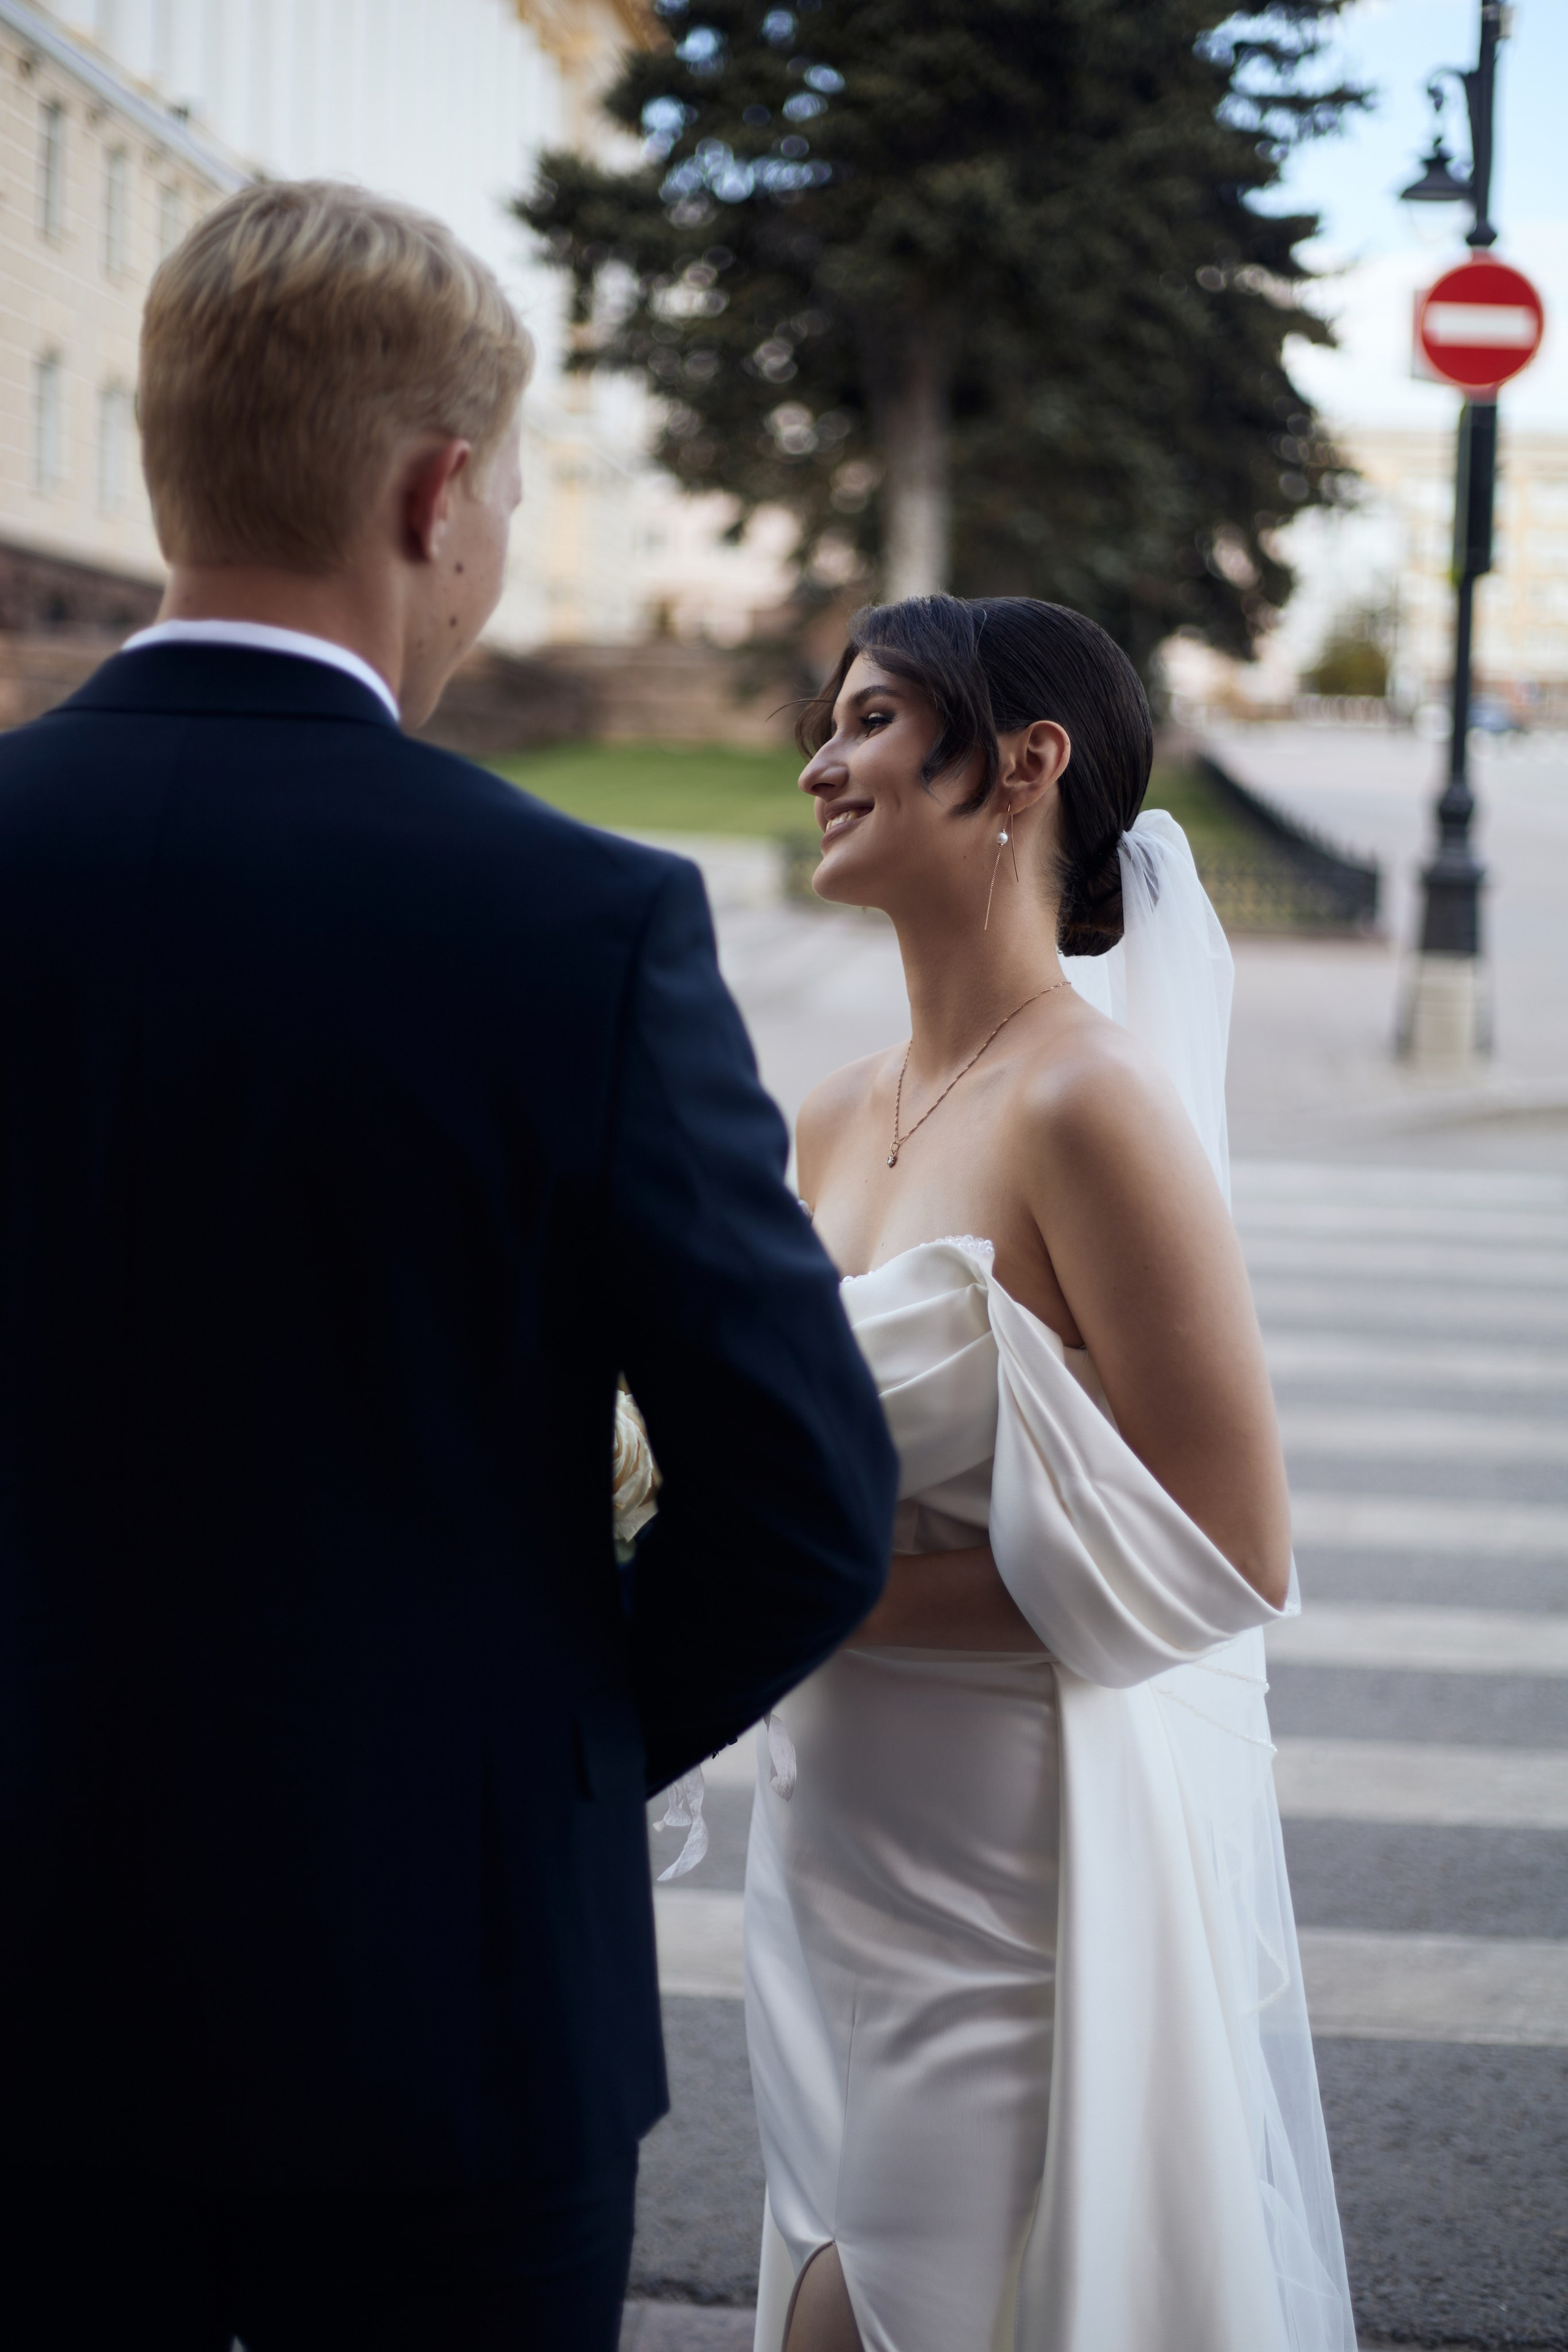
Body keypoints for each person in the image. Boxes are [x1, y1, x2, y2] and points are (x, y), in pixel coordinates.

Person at [0, 181, 895, 2351]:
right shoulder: (578, 925)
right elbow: (802, 1495)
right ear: (437, 496)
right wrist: (523, 1756)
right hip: (436, 2015)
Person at [742, 595, 1355, 2352]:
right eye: (831, 723)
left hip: (1011, 1890)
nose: (820, 764)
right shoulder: (834, 1113)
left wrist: (822, 1596)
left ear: (1025, 764)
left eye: (871, 720)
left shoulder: (1090, 1102)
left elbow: (1228, 1550)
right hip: (833, 1861)